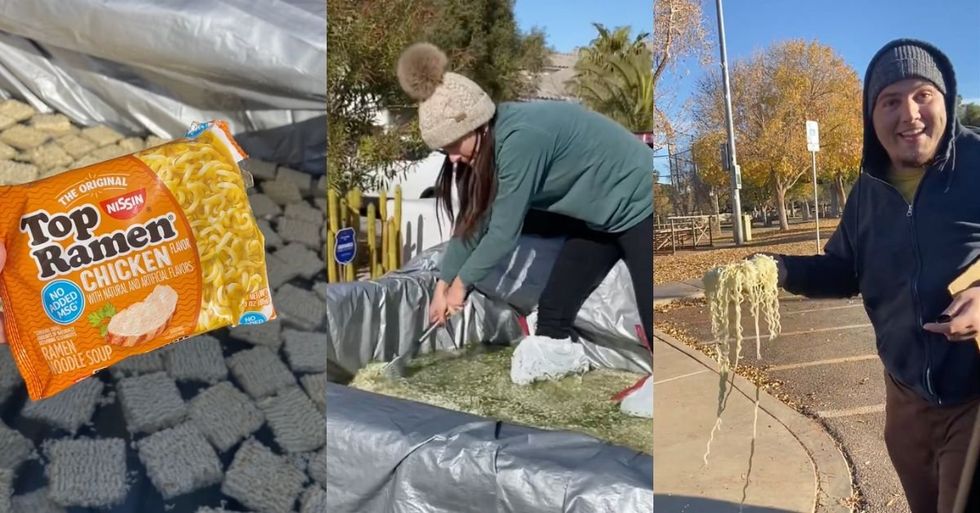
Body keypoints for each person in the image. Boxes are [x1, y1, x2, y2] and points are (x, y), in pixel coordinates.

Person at [769, 39, 980, 513]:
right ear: (872, 115)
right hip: (905, 401)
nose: (909, 114)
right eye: (890, 101)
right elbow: (845, 271)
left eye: (923, 94)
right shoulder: (867, 191)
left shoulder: (977, 163)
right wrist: (777, 270)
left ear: (946, 98)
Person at [396, 42, 653, 389]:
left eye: (452, 146)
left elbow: (503, 232)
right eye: (444, 151)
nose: (452, 158)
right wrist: (443, 283)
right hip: (597, 220)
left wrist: (462, 286)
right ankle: (555, 364)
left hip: (638, 202)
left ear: (473, 125)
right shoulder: (485, 147)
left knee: (654, 316)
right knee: (552, 313)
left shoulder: (520, 141)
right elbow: (474, 222)